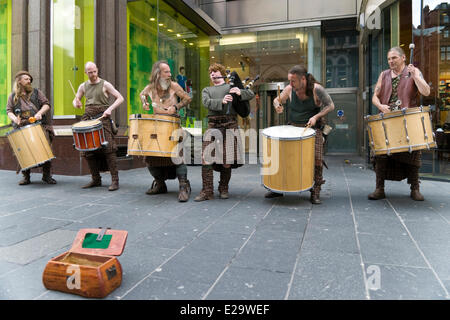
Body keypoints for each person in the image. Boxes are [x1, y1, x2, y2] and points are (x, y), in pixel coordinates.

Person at [265, 65, 335, 204]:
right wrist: (277, 105)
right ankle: (277, 188)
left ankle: (315, 191)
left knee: (317, 160)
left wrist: (316, 116)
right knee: (283, 157)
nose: (290, 84)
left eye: (293, 81)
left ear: (303, 79)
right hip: (293, 128)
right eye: (289, 81)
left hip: (312, 129)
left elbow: (330, 106)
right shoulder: (289, 89)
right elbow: (277, 100)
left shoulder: (316, 89)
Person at [368, 46, 430, 201]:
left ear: (403, 58)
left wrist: (416, 76)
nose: (391, 61)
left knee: (413, 154)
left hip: (407, 119)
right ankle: (379, 188)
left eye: (394, 58)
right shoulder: (384, 75)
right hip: (387, 119)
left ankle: (415, 189)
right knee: (381, 152)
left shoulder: (413, 71)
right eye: (389, 58)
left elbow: (426, 91)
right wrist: (380, 106)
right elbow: (375, 96)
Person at [194, 63, 255, 201]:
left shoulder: (230, 86)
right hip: (213, 124)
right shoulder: (207, 90)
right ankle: (207, 191)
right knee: (205, 157)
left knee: (227, 160)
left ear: (221, 72)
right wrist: (221, 101)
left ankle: (223, 188)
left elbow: (250, 93)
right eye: (211, 72)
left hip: (230, 123)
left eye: (215, 71)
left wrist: (240, 92)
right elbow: (206, 102)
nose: (213, 74)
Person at [140, 60, 192, 202]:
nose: (169, 74)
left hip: (172, 124)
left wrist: (176, 107)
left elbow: (188, 98)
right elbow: (142, 95)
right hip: (157, 125)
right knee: (151, 156)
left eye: (170, 71)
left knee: (177, 156)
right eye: (166, 72)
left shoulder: (174, 86)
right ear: (158, 73)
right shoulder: (151, 87)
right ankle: (160, 185)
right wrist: (144, 103)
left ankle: (183, 187)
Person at [73, 62, 124, 191]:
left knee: (109, 149)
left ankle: (115, 180)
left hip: (103, 118)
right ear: (86, 73)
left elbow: (120, 98)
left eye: (94, 71)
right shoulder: (82, 86)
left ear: (97, 70)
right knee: (87, 149)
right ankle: (96, 179)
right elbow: (76, 100)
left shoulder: (105, 84)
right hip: (88, 119)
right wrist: (76, 103)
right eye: (90, 72)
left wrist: (110, 109)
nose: (93, 74)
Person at [6, 71, 57, 185]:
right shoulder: (13, 96)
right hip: (21, 126)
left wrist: (39, 113)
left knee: (45, 148)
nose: (29, 81)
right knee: (23, 150)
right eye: (26, 79)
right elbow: (9, 111)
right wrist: (15, 119)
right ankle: (26, 176)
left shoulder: (37, 92)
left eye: (30, 79)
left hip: (38, 124)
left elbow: (46, 104)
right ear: (19, 81)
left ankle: (47, 175)